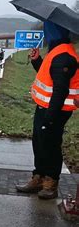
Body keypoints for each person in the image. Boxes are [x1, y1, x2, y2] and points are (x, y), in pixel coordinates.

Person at [16, 21, 79, 199]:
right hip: (45, 108)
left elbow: (60, 91)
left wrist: (50, 119)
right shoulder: (57, 52)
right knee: (39, 142)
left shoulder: (64, 56)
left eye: (48, 29)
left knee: (50, 145)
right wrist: (37, 61)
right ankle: (38, 178)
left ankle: (50, 183)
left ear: (54, 31)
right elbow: (49, 77)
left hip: (56, 111)